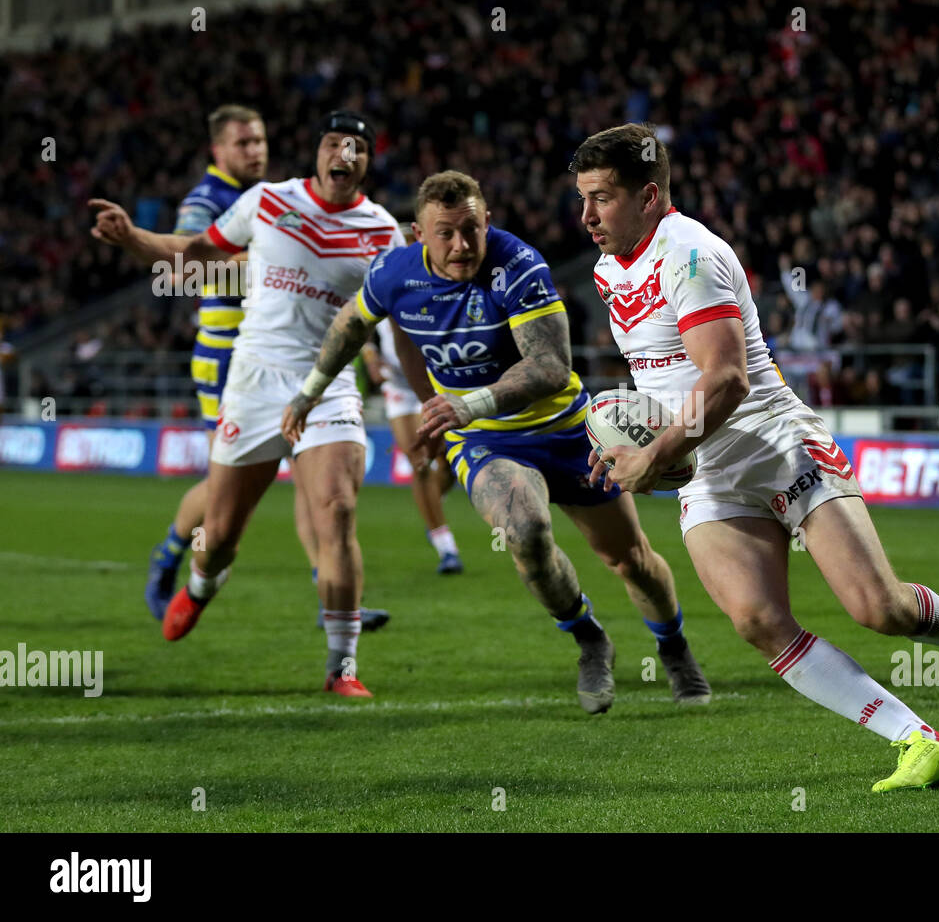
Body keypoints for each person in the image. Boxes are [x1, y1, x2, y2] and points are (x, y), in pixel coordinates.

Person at [575, 123, 939, 794]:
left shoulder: (690, 256)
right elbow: (657, 378)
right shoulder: (609, 268)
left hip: (774, 441)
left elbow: (725, 378)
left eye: (602, 197)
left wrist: (661, 451)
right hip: (708, 466)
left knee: (880, 607)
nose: (586, 215)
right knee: (757, 620)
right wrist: (621, 447)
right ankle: (919, 740)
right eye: (582, 197)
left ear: (647, 195)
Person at [283, 170, 711, 713]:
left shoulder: (518, 265)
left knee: (629, 560)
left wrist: (466, 402)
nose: (461, 245)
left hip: (565, 430)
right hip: (487, 442)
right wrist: (308, 393)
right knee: (525, 532)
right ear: (419, 235)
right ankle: (589, 638)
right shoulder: (393, 274)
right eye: (446, 233)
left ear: (488, 222)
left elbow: (553, 367)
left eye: (472, 229)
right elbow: (351, 325)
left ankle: (673, 650)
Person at [91, 110, 403, 697]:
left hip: (328, 384)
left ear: (367, 161)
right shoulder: (264, 202)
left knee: (334, 509)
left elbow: (396, 315)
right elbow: (191, 254)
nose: (346, 154)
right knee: (224, 530)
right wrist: (132, 237)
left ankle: (342, 666)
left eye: (359, 147)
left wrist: (431, 393)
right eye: (336, 142)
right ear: (316, 152)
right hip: (253, 380)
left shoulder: (383, 230)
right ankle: (199, 585)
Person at [361, 316, 464, 574]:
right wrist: (371, 355)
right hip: (399, 387)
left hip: (436, 382)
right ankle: (446, 547)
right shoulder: (384, 283)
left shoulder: (438, 284)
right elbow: (359, 322)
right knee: (419, 464)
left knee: (448, 462)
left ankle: (432, 501)